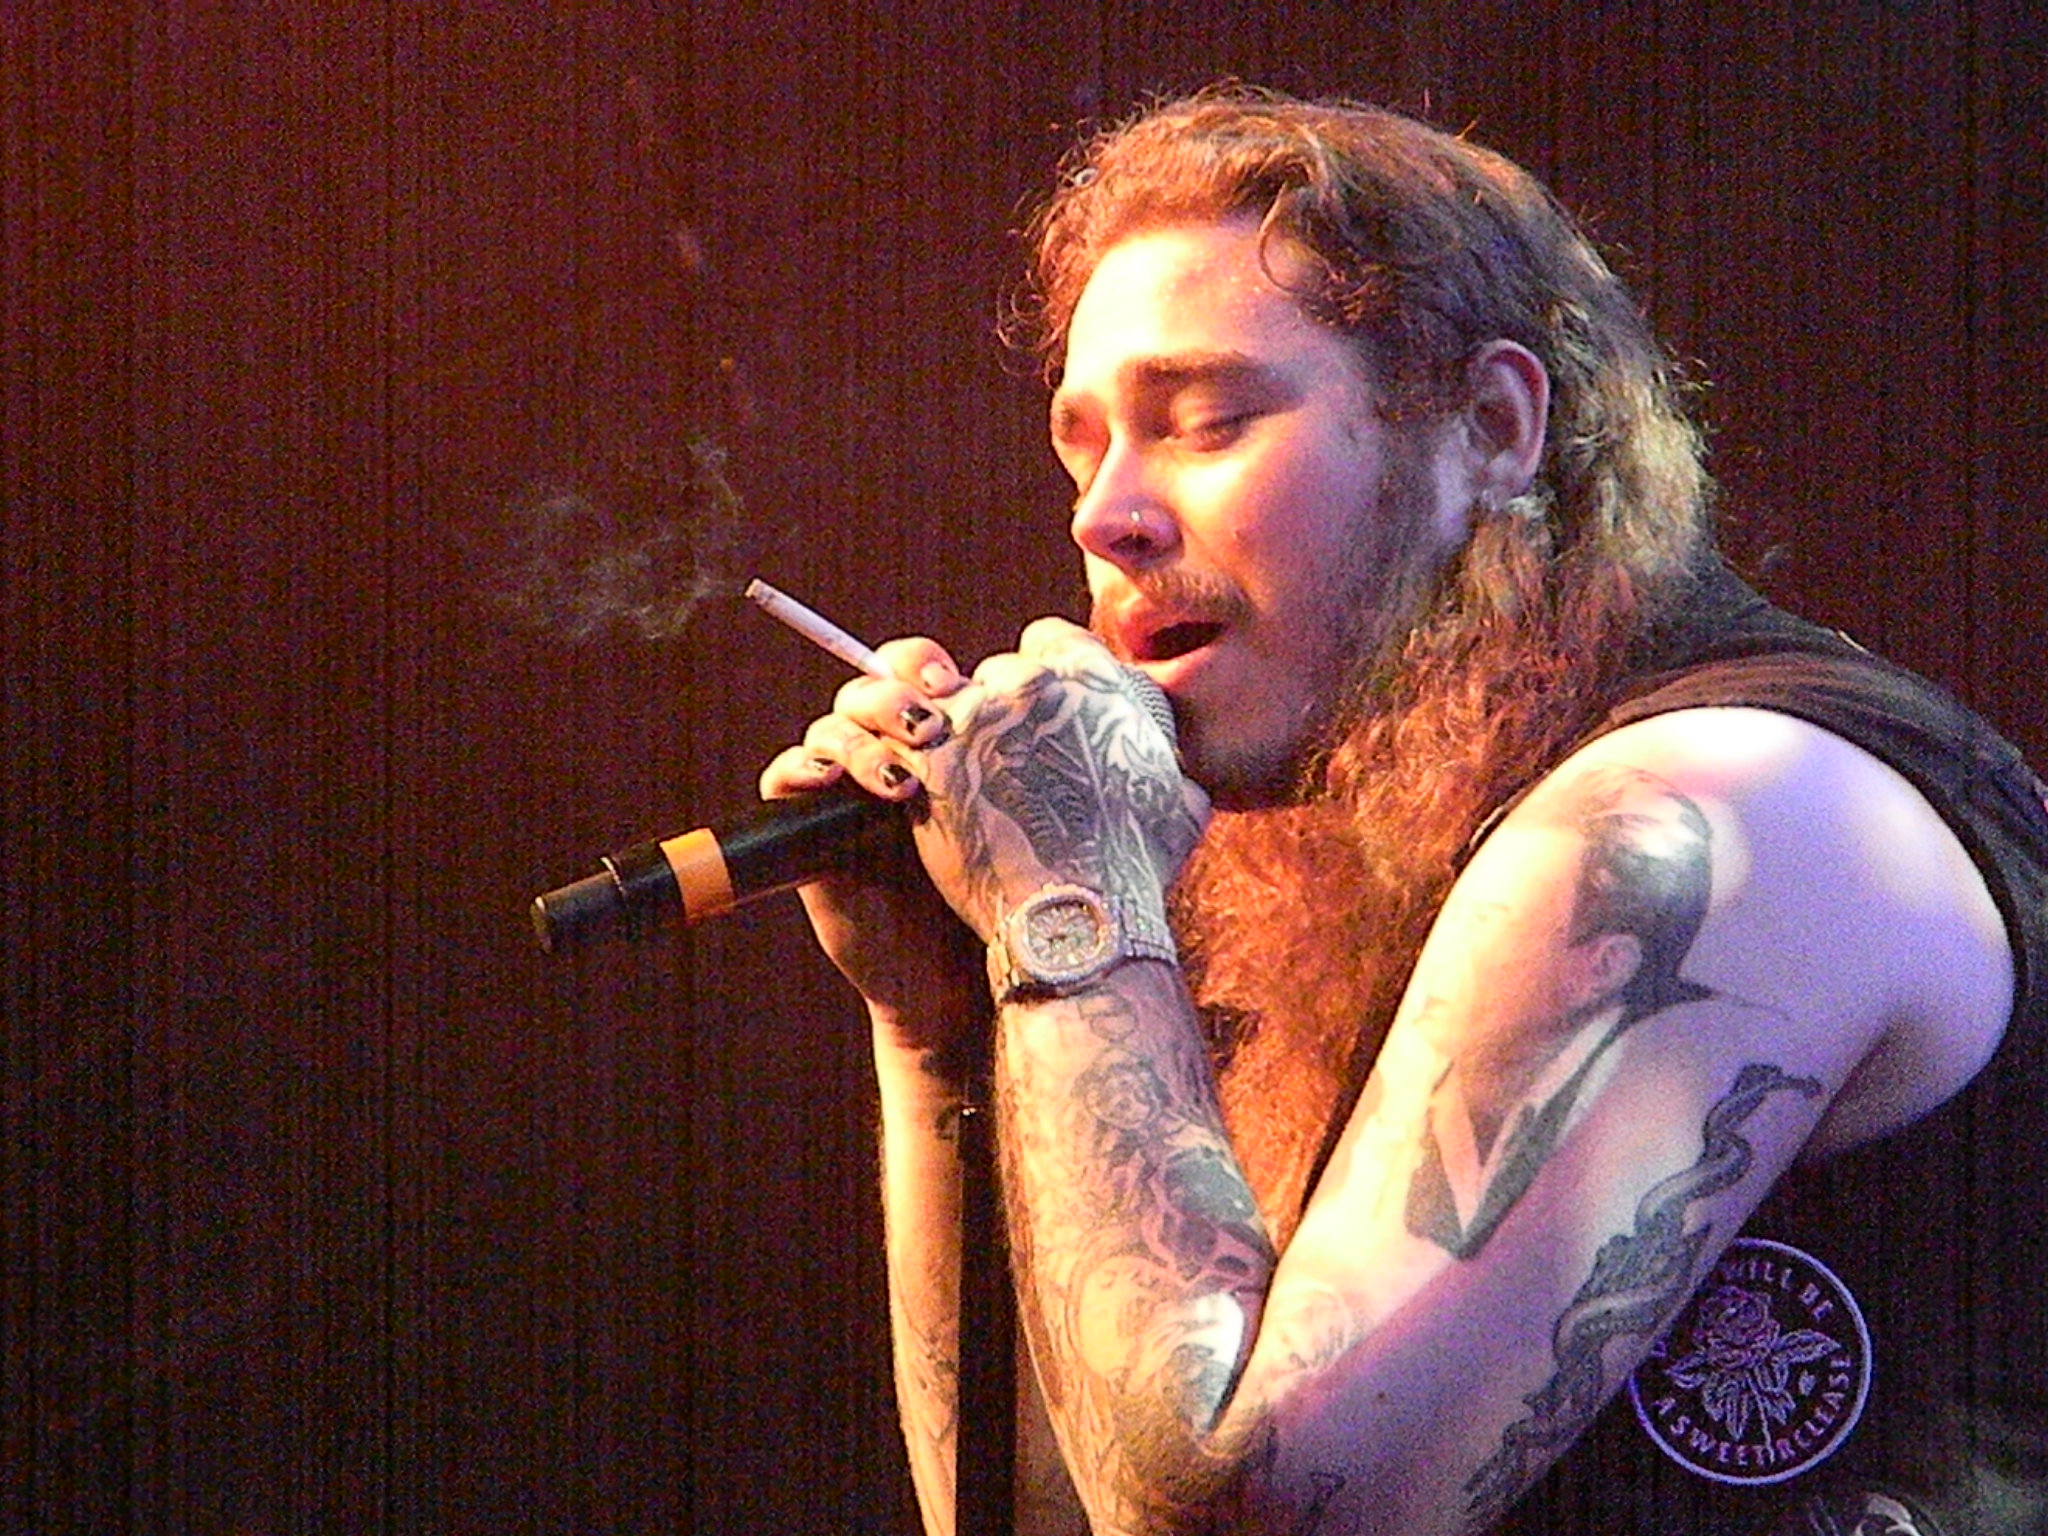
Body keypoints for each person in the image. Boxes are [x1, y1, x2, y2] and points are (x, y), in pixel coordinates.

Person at [757, 87, 2048, 1536]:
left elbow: (1247, 1518)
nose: (1102, 517)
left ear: (1491, 428)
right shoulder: (1355, 869)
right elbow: (1061, 1512)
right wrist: (947, 1024)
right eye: (1085, 448)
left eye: (1206, 423)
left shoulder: (1719, 811)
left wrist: (1070, 910)